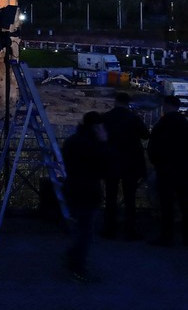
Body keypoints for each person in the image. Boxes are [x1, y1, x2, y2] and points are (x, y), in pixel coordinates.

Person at [146, 95, 188, 247]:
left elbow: (152, 148)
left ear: (166, 105)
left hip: (164, 169)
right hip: (183, 168)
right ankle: (187, 237)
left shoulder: (161, 125)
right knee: (185, 203)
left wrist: (158, 162)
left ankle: (167, 236)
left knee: (166, 203)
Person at [61, 111, 109, 282]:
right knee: (86, 231)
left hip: (72, 188)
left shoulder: (71, 141)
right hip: (88, 190)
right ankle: (78, 266)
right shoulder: (92, 145)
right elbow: (103, 165)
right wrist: (103, 143)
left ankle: (73, 258)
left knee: (79, 227)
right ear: (96, 128)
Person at [101, 92, 149, 239]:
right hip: (131, 162)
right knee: (130, 197)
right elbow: (145, 135)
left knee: (110, 197)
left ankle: (110, 229)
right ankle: (130, 229)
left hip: (111, 162)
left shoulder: (105, 118)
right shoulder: (133, 118)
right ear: (128, 102)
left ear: (115, 101)